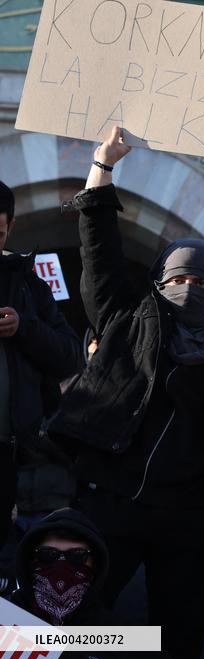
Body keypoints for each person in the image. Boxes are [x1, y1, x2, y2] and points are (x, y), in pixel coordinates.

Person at [48, 127, 204, 659]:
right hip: (114, 502)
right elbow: (98, 253)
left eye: (202, 282)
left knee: (177, 641)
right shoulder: (129, 321)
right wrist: (103, 167)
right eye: (178, 278)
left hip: (194, 521)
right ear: (159, 281)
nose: (189, 288)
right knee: (73, 625)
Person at [0, 181, 81, 547]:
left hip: (8, 453)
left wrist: (24, 327)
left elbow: (68, 354)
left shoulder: (27, 284)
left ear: (10, 227)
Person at [6, 508, 169, 659]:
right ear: (30, 562)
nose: (61, 566)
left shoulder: (131, 640)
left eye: (77, 556)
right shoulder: (5, 624)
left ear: (95, 565)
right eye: (47, 555)